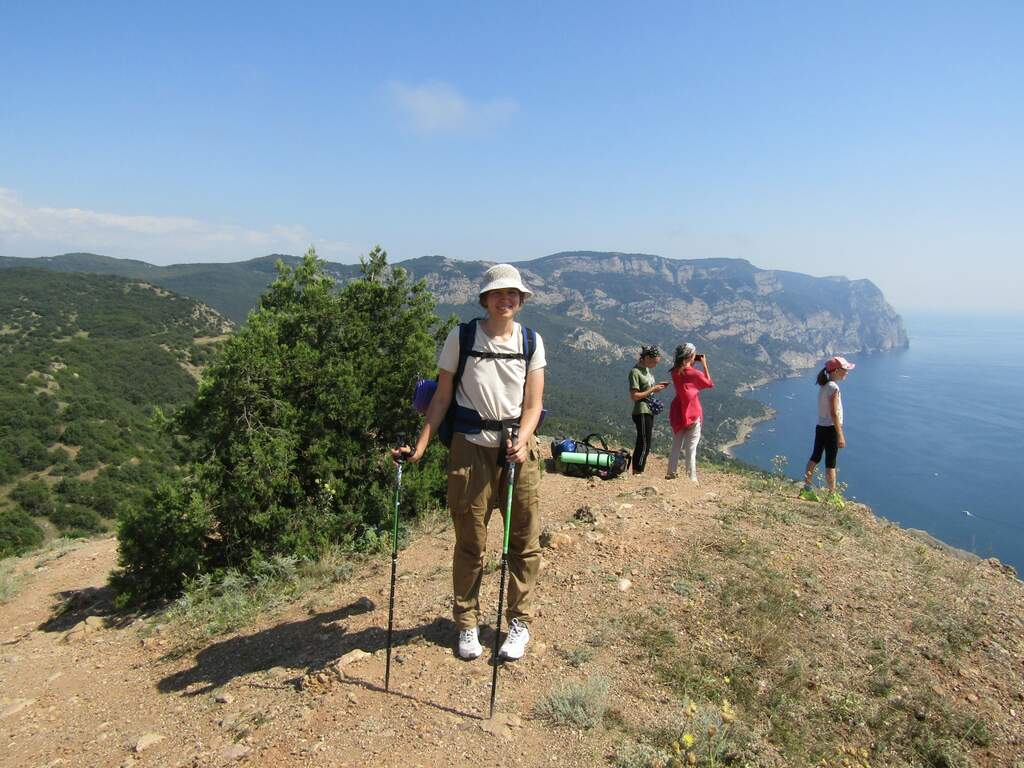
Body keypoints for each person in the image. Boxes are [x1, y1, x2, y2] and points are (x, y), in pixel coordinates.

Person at [393, 264, 545, 662]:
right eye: (498, 293)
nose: (506, 299)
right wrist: (421, 446)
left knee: (523, 542)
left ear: (521, 300)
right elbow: (441, 398)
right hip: (469, 448)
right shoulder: (461, 337)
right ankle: (466, 623)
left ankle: (519, 623)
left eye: (513, 294)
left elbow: (534, 404)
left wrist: (524, 440)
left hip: (516, 448)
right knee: (471, 542)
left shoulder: (531, 342)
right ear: (485, 299)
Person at [800, 356, 855, 507]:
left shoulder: (824, 386)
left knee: (815, 457)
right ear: (837, 371)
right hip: (831, 429)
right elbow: (834, 413)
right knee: (831, 463)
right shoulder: (834, 388)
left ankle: (806, 489)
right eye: (845, 370)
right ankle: (832, 495)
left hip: (820, 427)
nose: (847, 373)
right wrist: (840, 434)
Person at [666, 343, 714, 483]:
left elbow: (684, 373)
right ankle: (691, 478)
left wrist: (691, 362)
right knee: (691, 448)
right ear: (691, 356)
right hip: (692, 411)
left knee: (676, 445)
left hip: (678, 410)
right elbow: (709, 383)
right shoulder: (694, 373)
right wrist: (704, 364)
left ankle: (671, 472)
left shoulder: (674, 371)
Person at [628, 345, 668, 475]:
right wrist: (653, 389)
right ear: (646, 358)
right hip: (641, 410)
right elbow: (634, 396)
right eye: (654, 362)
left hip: (649, 409)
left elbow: (648, 390)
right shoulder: (635, 372)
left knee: (644, 442)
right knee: (644, 443)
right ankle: (637, 471)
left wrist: (656, 387)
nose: (655, 365)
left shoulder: (647, 371)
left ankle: (638, 470)